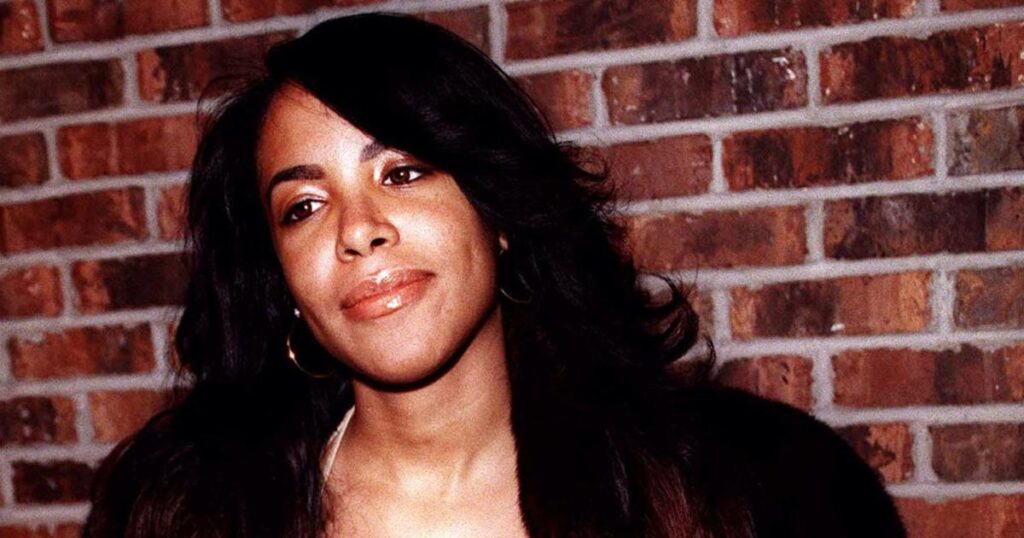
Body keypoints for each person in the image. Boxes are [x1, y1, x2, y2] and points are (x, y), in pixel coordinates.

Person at [83, 12, 906, 537]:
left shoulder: (741, 492)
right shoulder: (182, 512)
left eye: (403, 172)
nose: (358, 230)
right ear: (281, 279)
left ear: (499, 210)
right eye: (303, 206)